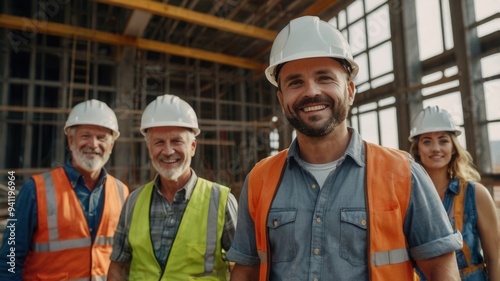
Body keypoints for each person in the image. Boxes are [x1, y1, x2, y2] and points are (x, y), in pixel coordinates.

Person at [226, 15, 463, 281]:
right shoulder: (259, 179)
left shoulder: (403, 173)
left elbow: (442, 269)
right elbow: (246, 270)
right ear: (282, 101)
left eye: (325, 78)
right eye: (295, 82)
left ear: (350, 91)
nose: (311, 92)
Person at [107, 94, 238, 280]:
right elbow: (118, 266)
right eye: (159, 142)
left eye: (177, 141)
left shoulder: (221, 201)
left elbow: (243, 267)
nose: (168, 151)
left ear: (192, 146)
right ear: (149, 148)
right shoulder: (134, 202)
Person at [0, 99, 130, 280]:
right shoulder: (35, 190)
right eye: (85, 136)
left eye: (101, 137)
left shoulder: (123, 192)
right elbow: (10, 259)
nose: (93, 144)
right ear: (70, 140)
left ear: (111, 145)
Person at [408, 105, 500, 280]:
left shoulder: (476, 195)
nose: (436, 148)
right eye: (427, 141)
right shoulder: (408, 198)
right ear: (417, 149)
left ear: (453, 148)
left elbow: (495, 259)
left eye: (443, 140)